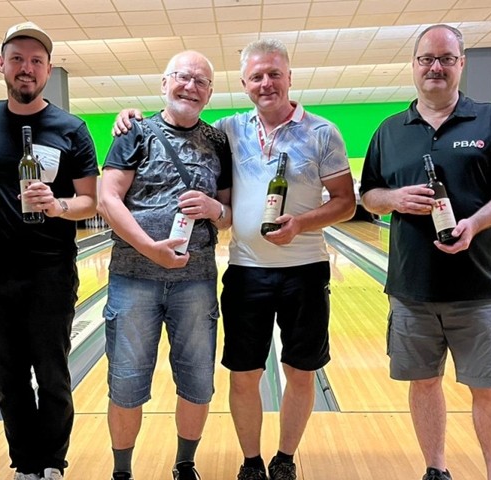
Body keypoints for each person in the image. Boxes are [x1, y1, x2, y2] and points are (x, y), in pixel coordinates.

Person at [114, 38, 356, 480]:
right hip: (246, 271)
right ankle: (251, 461)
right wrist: (130, 115)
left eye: (274, 74)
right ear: (244, 84)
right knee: (244, 373)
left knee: (300, 371)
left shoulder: (323, 132)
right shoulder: (227, 130)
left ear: (289, 77)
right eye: (256, 76)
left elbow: (346, 202)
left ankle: (285, 458)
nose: (266, 83)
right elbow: (176, 118)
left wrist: (301, 224)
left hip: (305, 269)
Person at [359, 24, 491, 480]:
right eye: (426, 59)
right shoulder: (390, 130)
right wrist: (394, 199)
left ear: (461, 64)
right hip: (410, 287)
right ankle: (435, 470)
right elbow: (370, 196)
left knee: (489, 387)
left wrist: (475, 223)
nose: (435, 67)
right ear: (414, 65)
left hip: (475, 287)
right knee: (423, 383)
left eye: (445, 59)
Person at [0, 21, 99, 480]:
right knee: (8, 378)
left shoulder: (71, 128)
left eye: (36, 61)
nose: (27, 68)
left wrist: (59, 205)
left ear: (47, 69)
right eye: (18, 59)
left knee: (52, 375)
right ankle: (25, 465)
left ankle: (53, 462)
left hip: (50, 271)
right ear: (1, 64)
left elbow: (90, 200)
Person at [98, 50, 233, 480]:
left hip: (195, 282)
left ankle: (185, 465)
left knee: (197, 381)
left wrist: (214, 209)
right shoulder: (134, 132)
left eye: (200, 81)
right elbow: (108, 198)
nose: (190, 87)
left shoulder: (218, 142)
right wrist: (149, 248)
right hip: (133, 279)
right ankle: (122, 472)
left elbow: (228, 215)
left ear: (209, 93)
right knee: (126, 381)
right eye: (182, 77)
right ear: (164, 83)